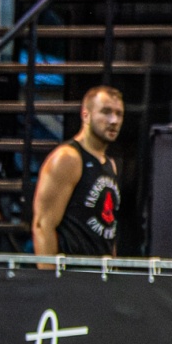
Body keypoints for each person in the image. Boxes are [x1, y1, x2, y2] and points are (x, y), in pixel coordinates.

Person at [31, 84, 124, 257]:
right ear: (86, 115)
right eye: (106, 112)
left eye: (119, 114)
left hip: (101, 270)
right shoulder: (68, 158)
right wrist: (49, 273)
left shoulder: (110, 164)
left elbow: (108, 229)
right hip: (71, 269)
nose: (114, 121)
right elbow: (42, 225)